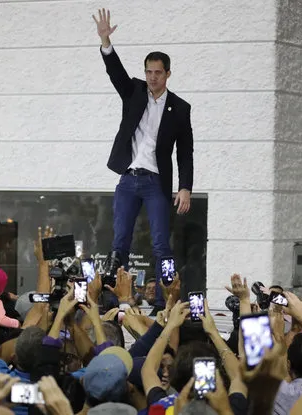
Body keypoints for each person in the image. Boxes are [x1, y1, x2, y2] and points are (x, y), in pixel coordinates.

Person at [93, 8, 194, 308]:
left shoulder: (180, 108)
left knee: (161, 246)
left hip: (156, 183)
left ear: (168, 74)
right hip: (129, 179)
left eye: (158, 72)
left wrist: (185, 186)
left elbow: (185, 151)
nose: (152, 77)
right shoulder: (134, 91)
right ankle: (112, 300)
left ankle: (165, 303)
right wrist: (105, 42)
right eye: (148, 71)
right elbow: (116, 73)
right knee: (119, 243)